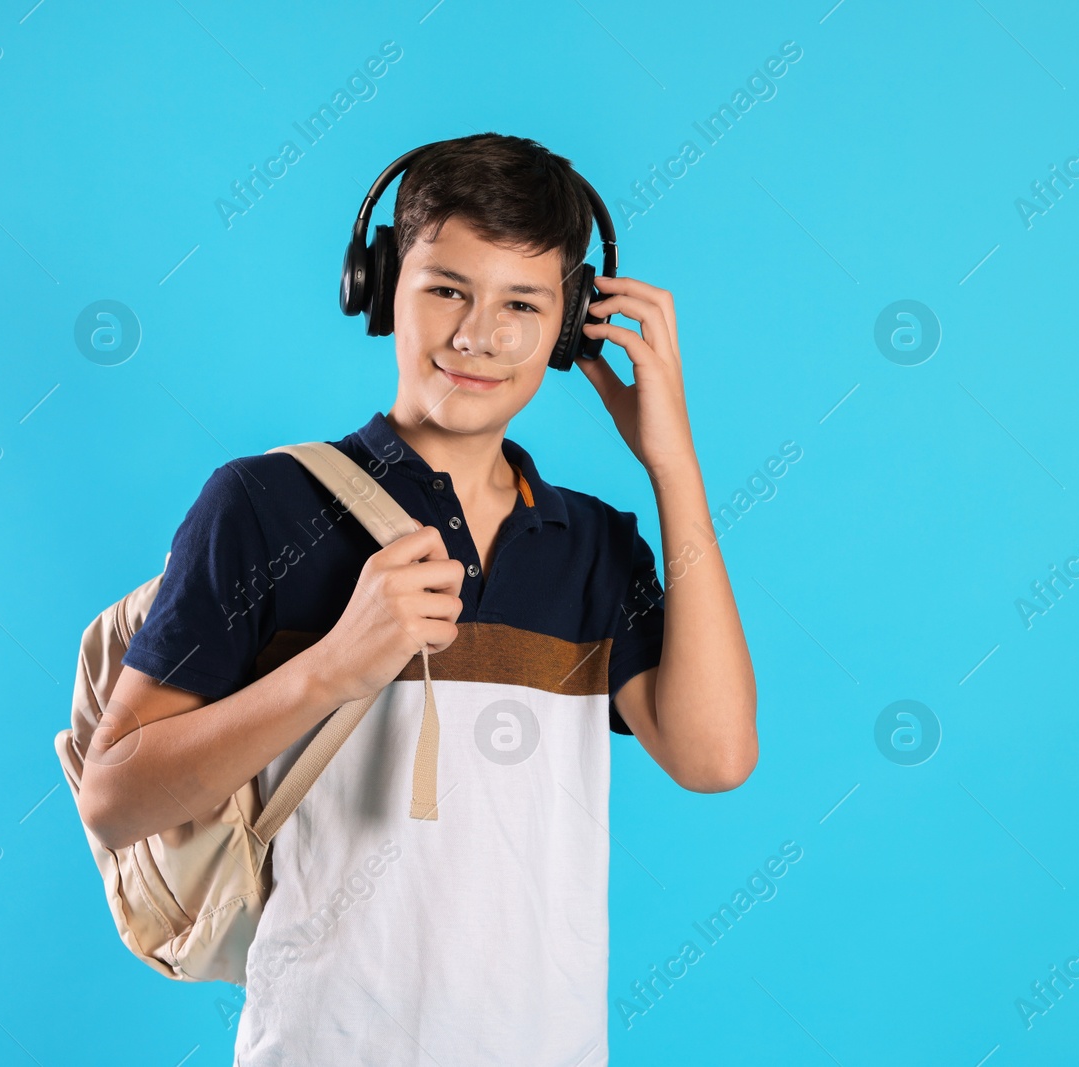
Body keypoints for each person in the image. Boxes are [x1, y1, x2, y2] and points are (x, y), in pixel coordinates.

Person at [75, 132, 758, 1065]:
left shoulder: (592, 544)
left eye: (524, 303)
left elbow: (716, 755)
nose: (479, 334)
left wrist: (673, 466)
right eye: (446, 288)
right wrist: (332, 667)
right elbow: (115, 797)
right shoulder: (263, 505)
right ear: (381, 286)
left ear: (567, 331)